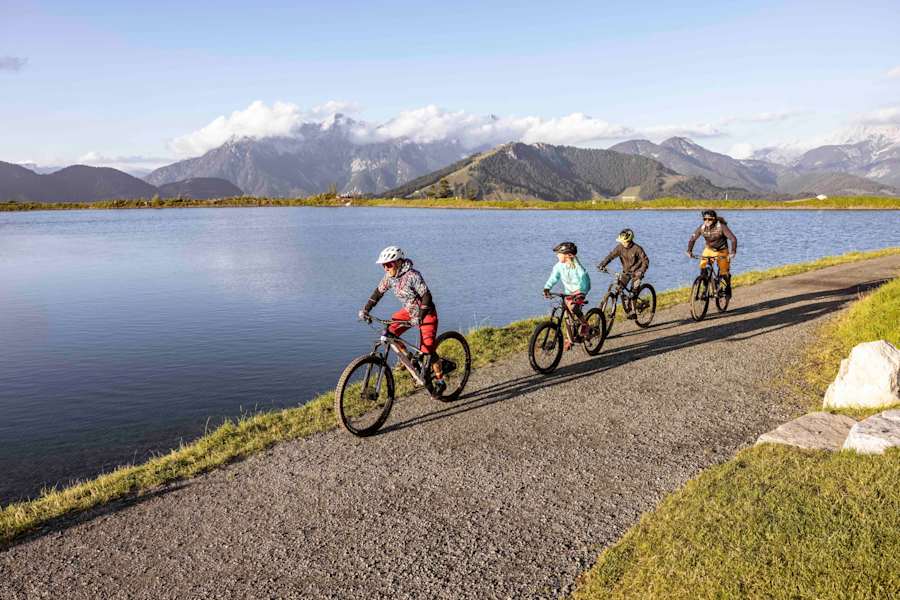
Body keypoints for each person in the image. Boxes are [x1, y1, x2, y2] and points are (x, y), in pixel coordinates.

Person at [358, 246, 445, 393]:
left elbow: (426, 296)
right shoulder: (389, 278)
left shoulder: (412, 275)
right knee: (389, 333)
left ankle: (440, 379)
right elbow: (378, 293)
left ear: (398, 262)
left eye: (389, 264)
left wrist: (420, 317)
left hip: (426, 313)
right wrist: (366, 310)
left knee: (427, 350)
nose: (386, 268)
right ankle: (407, 357)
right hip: (408, 312)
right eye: (383, 265)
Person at [543, 241, 591, 350]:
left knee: (574, 308)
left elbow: (585, 279)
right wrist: (547, 288)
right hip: (568, 292)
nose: (557, 255)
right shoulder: (559, 266)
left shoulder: (576, 266)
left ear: (568, 255)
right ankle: (570, 339)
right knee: (566, 316)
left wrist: (581, 292)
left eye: (559, 253)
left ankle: (585, 324)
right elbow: (553, 277)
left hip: (580, 290)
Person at [596, 229, 649, 318]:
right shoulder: (619, 247)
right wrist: (602, 264)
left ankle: (633, 310)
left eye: (624, 242)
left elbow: (645, 261)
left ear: (629, 240)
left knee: (633, 291)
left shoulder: (637, 249)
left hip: (637, 272)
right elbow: (611, 256)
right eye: (622, 241)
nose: (622, 243)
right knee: (619, 288)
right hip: (626, 272)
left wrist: (641, 271)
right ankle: (616, 309)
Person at [686, 209, 738, 297]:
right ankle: (705, 289)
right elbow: (692, 239)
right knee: (703, 267)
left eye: (709, 219)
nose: (707, 221)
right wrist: (689, 251)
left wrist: (733, 252)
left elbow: (733, 239)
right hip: (709, 250)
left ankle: (727, 288)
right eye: (705, 219)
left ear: (714, 219)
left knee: (723, 271)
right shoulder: (702, 227)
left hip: (722, 251)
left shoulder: (721, 226)